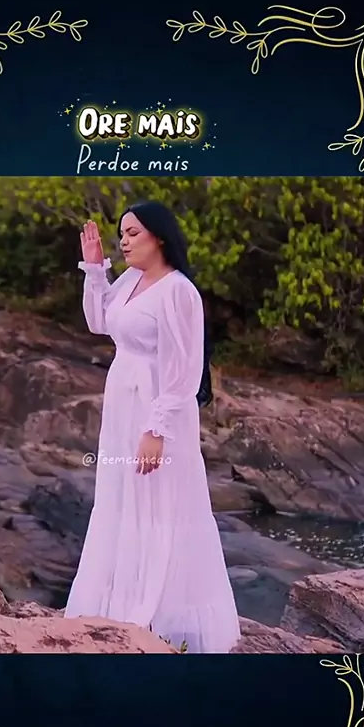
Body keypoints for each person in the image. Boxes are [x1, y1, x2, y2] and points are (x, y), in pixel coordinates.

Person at [64, 201, 240, 653]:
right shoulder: (129, 280)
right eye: (122, 233)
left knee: (161, 503)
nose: (124, 241)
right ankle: (118, 606)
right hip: (121, 404)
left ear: (158, 237)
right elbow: (99, 322)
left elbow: (184, 370)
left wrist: (156, 430)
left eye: (133, 233)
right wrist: (95, 270)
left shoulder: (178, 291)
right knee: (122, 497)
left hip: (158, 411)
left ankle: (162, 616)